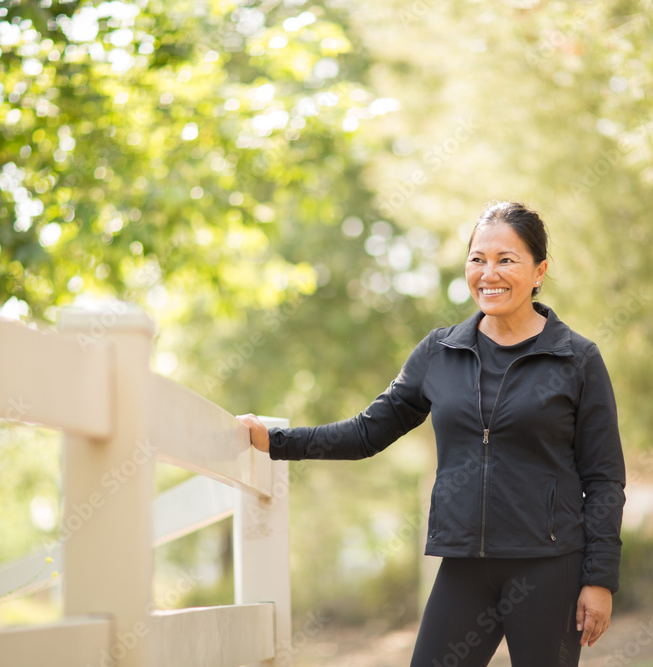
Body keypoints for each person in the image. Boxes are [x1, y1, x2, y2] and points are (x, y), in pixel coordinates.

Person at [238, 201, 625, 667]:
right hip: (465, 566)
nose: (489, 273)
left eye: (506, 260)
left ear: (539, 271)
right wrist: (277, 442)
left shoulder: (576, 359)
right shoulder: (440, 352)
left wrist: (599, 579)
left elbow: (604, 479)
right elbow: (367, 432)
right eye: (477, 259)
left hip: (550, 565)